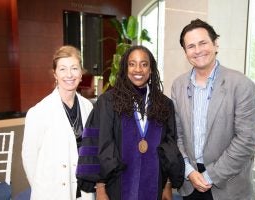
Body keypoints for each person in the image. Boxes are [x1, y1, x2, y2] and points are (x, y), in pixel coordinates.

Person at [76, 45, 184, 200]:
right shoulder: (108, 102)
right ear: (125, 69)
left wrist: (167, 184)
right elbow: (98, 143)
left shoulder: (164, 104)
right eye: (132, 64)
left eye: (144, 64)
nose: (138, 70)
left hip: (154, 185)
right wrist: (100, 188)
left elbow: (170, 145)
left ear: (151, 69)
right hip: (117, 186)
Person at [171, 19, 255, 200]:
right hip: (190, 182)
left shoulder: (241, 85)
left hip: (229, 185)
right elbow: (177, 135)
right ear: (185, 52)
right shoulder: (178, 85)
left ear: (215, 44)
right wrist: (189, 171)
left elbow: (246, 141)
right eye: (191, 46)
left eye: (203, 43)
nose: (198, 50)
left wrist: (209, 176)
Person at [22, 45, 94, 200]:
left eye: (74, 68)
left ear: (81, 73)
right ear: (55, 74)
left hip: (84, 190)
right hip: (52, 193)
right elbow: (29, 158)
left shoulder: (88, 107)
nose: (69, 74)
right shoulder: (38, 112)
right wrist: (42, 190)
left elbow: (92, 149)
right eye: (62, 69)